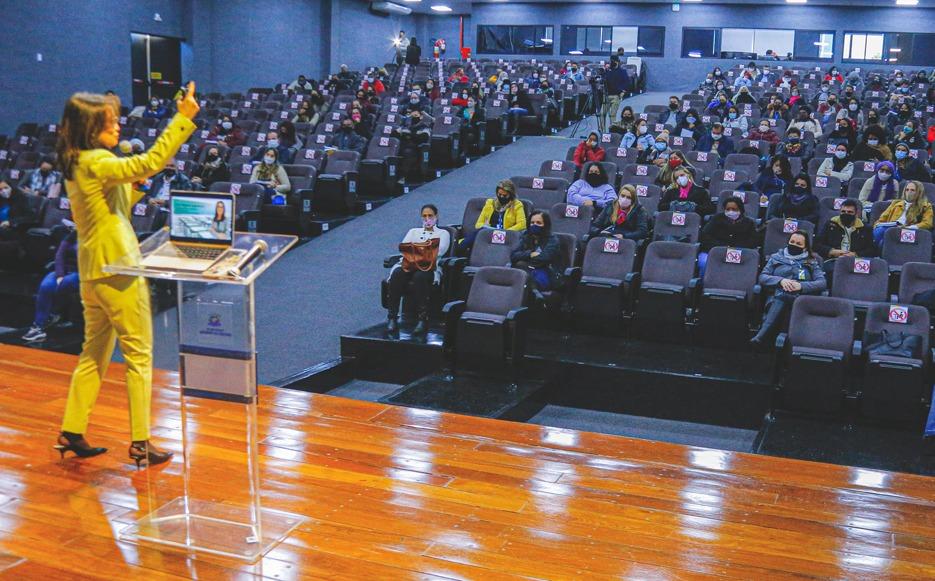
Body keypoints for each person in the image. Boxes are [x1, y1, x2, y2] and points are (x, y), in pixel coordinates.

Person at [54, 83, 198, 466]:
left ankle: (72, 430)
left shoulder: (77, 161)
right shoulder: (98, 161)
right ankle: (140, 442)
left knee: (93, 354)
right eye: (109, 121)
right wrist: (182, 119)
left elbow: (109, 210)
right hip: (118, 267)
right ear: (90, 127)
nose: (117, 126)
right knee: (139, 355)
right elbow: (150, 162)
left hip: (93, 271)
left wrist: (133, 191)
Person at [750, 231, 826, 345]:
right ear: (788, 242)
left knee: (784, 295)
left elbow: (822, 283)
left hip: (800, 298)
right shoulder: (776, 257)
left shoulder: (811, 261)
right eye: (792, 242)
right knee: (783, 294)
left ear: (805, 247)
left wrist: (801, 286)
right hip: (776, 295)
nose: (794, 245)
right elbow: (763, 277)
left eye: (799, 244)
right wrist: (781, 281)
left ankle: (761, 335)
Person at [386, 204, 450, 334]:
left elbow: (439, 251)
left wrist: (415, 249)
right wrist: (426, 249)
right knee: (397, 273)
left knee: (420, 276)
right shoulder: (413, 231)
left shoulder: (443, 233)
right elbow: (404, 248)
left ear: (436, 216)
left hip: (429, 267)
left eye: (430, 216)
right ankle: (392, 317)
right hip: (409, 264)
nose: (427, 219)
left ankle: (422, 319)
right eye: (424, 216)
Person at [22, 229, 80, 342]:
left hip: (83, 273)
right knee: (46, 285)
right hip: (65, 270)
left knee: (66, 283)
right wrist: (60, 275)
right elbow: (60, 254)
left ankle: (53, 314)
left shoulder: (97, 236)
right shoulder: (73, 234)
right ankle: (37, 327)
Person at [814, 198, 876, 282]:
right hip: (833, 260)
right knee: (834, 272)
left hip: (855, 261)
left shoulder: (865, 228)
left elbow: (872, 250)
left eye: (850, 212)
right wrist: (831, 251)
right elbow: (817, 245)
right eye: (843, 212)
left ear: (856, 214)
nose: (846, 214)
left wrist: (855, 254)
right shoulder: (830, 224)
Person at [459, 179, 526, 254]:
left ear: (511, 195)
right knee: (467, 242)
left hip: (505, 235)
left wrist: (506, 231)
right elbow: (478, 224)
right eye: (499, 194)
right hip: (489, 232)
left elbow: (522, 224)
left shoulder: (517, 205)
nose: (501, 197)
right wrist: (486, 226)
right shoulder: (490, 203)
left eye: (505, 195)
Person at [698, 196, 759, 276]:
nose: (731, 212)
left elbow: (753, 241)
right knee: (704, 262)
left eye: (734, 209)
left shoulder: (748, 223)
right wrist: (721, 247)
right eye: (728, 209)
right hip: (714, 251)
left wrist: (735, 248)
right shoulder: (717, 219)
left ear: (740, 210)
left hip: (738, 254)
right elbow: (704, 236)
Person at [511, 211, 562, 293]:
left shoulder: (553, 240)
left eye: (539, 223)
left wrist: (523, 257)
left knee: (521, 270)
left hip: (545, 272)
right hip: (526, 269)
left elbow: (544, 258)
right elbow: (513, 256)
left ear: (545, 225)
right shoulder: (525, 236)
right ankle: (534, 291)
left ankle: (534, 292)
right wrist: (530, 254)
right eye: (532, 223)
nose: (534, 225)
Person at [872, 180, 933, 247]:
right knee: (880, 233)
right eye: (907, 190)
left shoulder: (926, 206)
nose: (909, 192)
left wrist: (911, 227)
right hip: (891, 229)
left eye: (912, 190)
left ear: (919, 192)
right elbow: (881, 220)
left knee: (883, 238)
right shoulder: (895, 203)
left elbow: (927, 223)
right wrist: (878, 225)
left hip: (909, 231)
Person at [146, 158, 193, 228]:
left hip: (169, 211)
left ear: (177, 167)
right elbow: (148, 195)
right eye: (167, 165)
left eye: (172, 166)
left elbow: (184, 202)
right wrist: (150, 199)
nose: (169, 168)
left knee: (161, 214)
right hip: (153, 208)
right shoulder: (158, 178)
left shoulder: (183, 181)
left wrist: (165, 202)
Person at [0, 180, 37, 268]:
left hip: (15, 230)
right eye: (0, 190)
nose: (3, 191)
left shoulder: (21, 198)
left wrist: (10, 222)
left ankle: (20, 251)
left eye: (5, 188)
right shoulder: (1, 201)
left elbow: (31, 218)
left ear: (11, 187)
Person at [603, 60, 630, 125]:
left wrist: (623, 91)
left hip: (616, 95)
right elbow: (605, 82)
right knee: (602, 114)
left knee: (612, 114)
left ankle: (612, 129)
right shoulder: (608, 72)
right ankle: (601, 129)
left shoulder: (622, 72)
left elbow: (627, 82)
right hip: (607, 95)